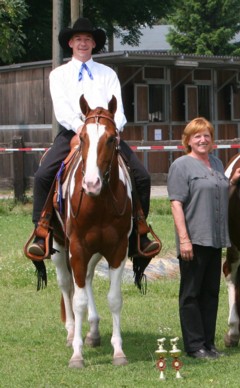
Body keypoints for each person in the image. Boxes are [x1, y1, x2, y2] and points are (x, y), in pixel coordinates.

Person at [27, 18, 159, 258]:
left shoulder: (108, 73)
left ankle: (138, 231)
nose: (83, 43)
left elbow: (118, 109)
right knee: (43, 175)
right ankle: (42, 230)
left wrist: (114, 130)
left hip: (107, 134)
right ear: (70, 43)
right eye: (78, 39)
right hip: (73, 132)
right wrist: (81, 128)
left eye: (87, 39)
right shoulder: (58, 75)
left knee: (142, 176)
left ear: (93, 44)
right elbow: (62, 109)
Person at [167, 117, 240, 359]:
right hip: (194, 239)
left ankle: (209, 344)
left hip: (215, 239)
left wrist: (233, 181)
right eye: (197, 136)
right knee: (191, 294)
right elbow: (176, 204)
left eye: (207, 136)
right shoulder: (181, 166)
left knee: (211, 293)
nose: (203, 140)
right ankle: (194, 346)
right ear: (188, 141)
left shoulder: (215, 162)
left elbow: (220, 192)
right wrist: (184, 239)